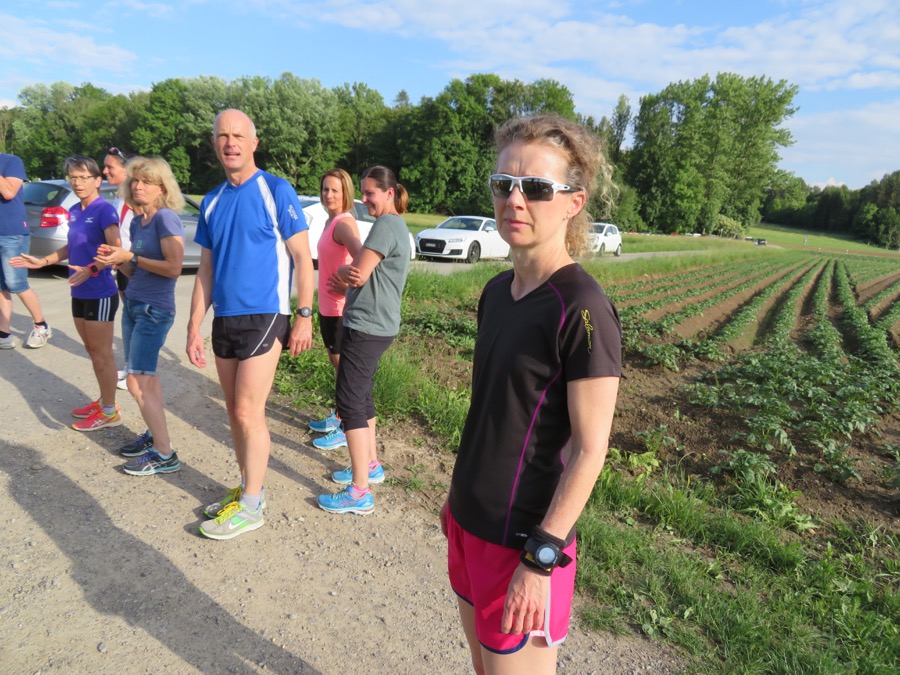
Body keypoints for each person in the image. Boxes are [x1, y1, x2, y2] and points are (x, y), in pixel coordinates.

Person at [439, 115, 621, 674]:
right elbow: (494, 413)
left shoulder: (583, 308)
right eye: (504, 184)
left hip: (525, 542)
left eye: (537, 188)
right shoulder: (497, 291)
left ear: (573, 203)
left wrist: (541, 557)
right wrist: (457, 503)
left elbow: (590, 450)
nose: (514, 200)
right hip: (468, 522)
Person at [187, 109, 315, 540]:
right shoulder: (211, 200)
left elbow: (303, 259)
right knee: (233, 411)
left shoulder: (276, 190)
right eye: (223, 135)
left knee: (247, 410)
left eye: (238, 136)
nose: (230, 143)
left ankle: (254, 504)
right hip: (225, 317)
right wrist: (193, 327)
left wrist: (304, 316)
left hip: (266, 314)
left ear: (254, 143)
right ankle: (246, 488)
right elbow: (205, 270)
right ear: (214, 144)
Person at [317, 165, 411, 515]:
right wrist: (349, 273)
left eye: (370, 193)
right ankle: (370, 466)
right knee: (362, 396)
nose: (365, 199)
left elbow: (357, 273)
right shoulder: (397, 226)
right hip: (378, 324)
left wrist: (342, 272)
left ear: (389, 193)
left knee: (350, 403)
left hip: (367, 324)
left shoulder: (387, 224)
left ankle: (359, 492)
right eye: (364, 192)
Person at [12, 156, 122, 431]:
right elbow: (70, 247)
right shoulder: (74, 210)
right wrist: (43, 261)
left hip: (100, 292)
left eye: (84, 177)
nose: (78, 182)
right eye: (73, 177)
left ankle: (110, 412)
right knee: (91, 351)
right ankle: (104, 401)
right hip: (79, 290)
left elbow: (116, 252)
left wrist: (92, 268)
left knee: (102, 354)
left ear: (98, 181)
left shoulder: (105, 210)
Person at [95, 156, 185, 475]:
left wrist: (130, 256)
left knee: (136, 381)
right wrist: (116, 261)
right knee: (148, 380)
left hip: (154, 311)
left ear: (162, 188)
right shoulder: (137, 221)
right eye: (135, 180)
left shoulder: (165, 219)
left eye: (147, 181)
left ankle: (165, 455)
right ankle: (154, 435)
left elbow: (174, 268)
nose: (138, 186)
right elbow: (137, 271)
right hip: (134, 304)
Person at [308, 168, 363, 447]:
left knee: (345, 371)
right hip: (328, 308)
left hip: (340, 310)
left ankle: (345, 428)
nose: (328, 195)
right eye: (325, 189)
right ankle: (340, 415)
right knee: (337, 366)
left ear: (345, 193)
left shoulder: (343, 223)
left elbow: (363, 258)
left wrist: (348, 288)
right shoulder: (330, 221)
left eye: (335, 190)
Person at [0, 152, 52, 350]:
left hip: (11, 232)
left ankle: (41, 325)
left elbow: (8, 192)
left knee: (16, 283)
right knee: (1, 286)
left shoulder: (11, 161)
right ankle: (4, 334)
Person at [102, 146, 137, 390]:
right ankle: (131, 366)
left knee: (136, 317)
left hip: (133, 263)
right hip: (121, 264)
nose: (105, 171)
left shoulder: (134, 197)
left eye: (109, 167)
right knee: (130, 316)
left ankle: (136, 372)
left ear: (126, 170)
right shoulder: (118, 196)